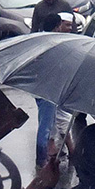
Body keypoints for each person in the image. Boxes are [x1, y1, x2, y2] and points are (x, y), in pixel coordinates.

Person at [34, 12, 72, 170]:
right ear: (57, 26)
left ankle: (46, 153)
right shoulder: (51, 43)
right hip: (47, 90)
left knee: (47, 123)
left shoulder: (38, 39)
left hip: (40, 88)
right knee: (45, 126)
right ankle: (41, 159)